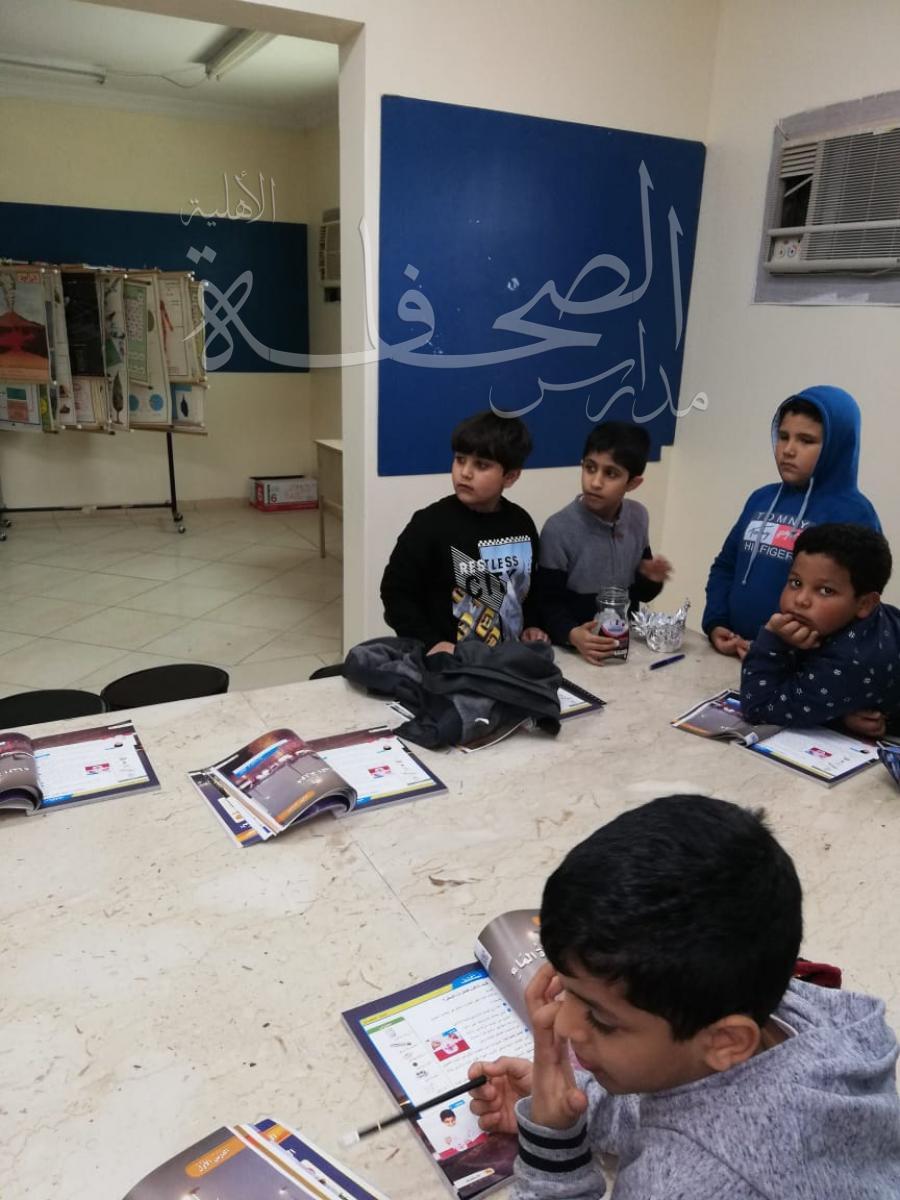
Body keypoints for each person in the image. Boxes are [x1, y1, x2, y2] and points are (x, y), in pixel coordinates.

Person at [468, 795, 900, 1199]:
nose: (562, 1025)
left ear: (726, 1041)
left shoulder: (679, 1184)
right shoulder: (807, 1015)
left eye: (600, 1018)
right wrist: (577, 1104)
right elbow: (686, 1102)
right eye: (566, 991)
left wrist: (551, 1142)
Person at [703, 386, 881, 658]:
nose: (788, 450)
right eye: (783, 436)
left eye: (806, 440)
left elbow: (858, 607)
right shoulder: (761, 499)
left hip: (801, 667)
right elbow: (725, 566)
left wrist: (785, 647)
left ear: (837, 447)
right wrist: (717, 623)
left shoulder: (855, 514)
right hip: (733, 651)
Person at [381, 411, 548, 653]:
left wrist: (532, 625)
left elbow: (529, 590)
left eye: (481, 465)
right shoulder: (429, 524)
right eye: (460, 460)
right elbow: (396, 593)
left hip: (508, 659)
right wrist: (431, 642)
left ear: (511, 476)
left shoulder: (521, 523)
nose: (465, 472)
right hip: (446, 662)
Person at [741, 523, 900, 737]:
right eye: (796, 582)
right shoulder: (840, 620)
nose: (801, 599)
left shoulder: (849, 661)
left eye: (825, 591)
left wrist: (772, 641)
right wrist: (839, 715)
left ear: (865, 604)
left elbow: (759, 706)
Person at [533, 422, 671, 664]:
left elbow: (640, 594)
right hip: (574, 652)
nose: (595, 482)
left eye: (611, 473)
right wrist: (572, 634)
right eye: (590, 468)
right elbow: (547, 604)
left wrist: (651, 579)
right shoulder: (559, 529)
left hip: (622, 647)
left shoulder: (638, 517)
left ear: (633, 483)